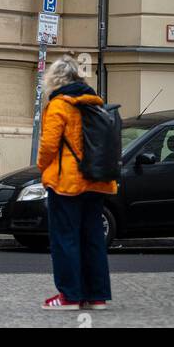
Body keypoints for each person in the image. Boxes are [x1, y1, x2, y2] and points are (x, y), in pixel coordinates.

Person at [36, 55, 118, 310]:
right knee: (92, 238)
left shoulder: (60, 105)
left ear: (55, 79)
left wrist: (41, 167)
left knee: (65, 239)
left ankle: (69, 296)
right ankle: (96, 296)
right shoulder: (93, 102)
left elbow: (49, 145)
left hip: (67, 183)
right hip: (96, 180)